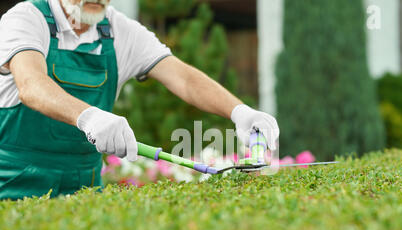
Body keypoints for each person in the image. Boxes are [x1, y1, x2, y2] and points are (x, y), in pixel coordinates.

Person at [0, 0, 280, 200]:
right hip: (14, 183)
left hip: (84, 187)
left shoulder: (119, 30)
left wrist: (239, 111)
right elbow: (31, 84)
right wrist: (88, 116)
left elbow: (182, 77)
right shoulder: (26, 18)